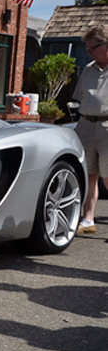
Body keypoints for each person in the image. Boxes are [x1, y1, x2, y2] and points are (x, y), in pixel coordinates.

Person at [72, 26, 108, 234]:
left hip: (107, 126)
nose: (88, 52)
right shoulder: (88, 69)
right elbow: (80, 98)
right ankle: (88, 219)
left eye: (91, 48)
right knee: (89, 174)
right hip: (86, 125)